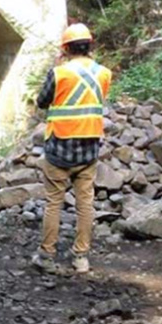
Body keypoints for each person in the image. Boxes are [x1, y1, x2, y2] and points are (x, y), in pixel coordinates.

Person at [32, 23, 112, 275]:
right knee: (85, 204)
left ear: (65, 48)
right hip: (88, 148)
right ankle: (81, 258)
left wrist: (57, 67)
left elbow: (42, 102)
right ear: (90, 46)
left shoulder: (59, 73)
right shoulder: (104, 73)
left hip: (59, 147)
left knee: (54, 203)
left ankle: (46, 255)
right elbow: (98, 99)